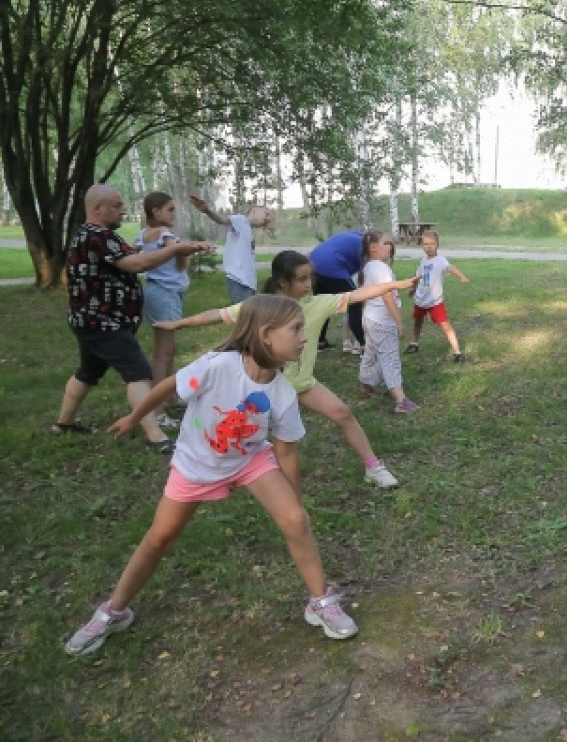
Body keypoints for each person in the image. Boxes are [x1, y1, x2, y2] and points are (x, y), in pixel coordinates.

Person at [64, 295, 358, 655]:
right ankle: (113, 611)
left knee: (296, 521)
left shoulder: (282, 392)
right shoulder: (218, 366)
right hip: (196, 465)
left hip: (250, 460)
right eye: (296, 329)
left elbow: (286, 450)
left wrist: (295, 506)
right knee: (159, 539)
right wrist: (134, 417)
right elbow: (168, 386)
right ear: (266, 335)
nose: (304, 336)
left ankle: (320, 602)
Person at [158, 251, 416, 489]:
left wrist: (397, 284)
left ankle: (373, 467)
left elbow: (361, 293)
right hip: (263, 387)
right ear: (283, 282)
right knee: (251, 433)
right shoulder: (262, 308)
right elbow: (216, 314)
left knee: (343, 413)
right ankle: (226, 470)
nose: (309, 284)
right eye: (302, 279)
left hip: (302, 383)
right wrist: (178, 324)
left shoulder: (320, 304)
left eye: (310, 278)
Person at [53, 185, 213, 454]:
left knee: (88, 372)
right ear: (97, 209)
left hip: (93, 320)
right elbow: (135, 264)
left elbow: (134, 254)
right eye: (116, 205)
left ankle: (64, 423)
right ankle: (156, 436)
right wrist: (174, 251)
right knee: (138, 373)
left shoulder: (99, 235)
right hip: (103, 323)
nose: (122, 210)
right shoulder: (97, 235)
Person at [135, 192, 193, 429]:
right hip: (166, 295)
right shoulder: (164, 234)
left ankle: (169, 396)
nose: (173, 214)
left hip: (155, 292)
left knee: (166, 350)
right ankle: (157, 411)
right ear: (156, 212)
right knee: (164, 354)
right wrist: (196, 246)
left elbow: (129, 251)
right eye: (170, 210)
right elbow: (178, 250)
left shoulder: (143, 235)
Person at [358, 230, 420, 413]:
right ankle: (401, 401)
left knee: (371, 353)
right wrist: (399, 322)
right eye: (386, 243)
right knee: (390, 358)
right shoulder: (381, 268)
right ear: (373, 247)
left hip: (369, 319)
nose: (390, 246)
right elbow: (387, 297)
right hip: (383, 322)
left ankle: (366, 384)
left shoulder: (369, 267)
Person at [188, 194, 271, 303]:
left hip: (248, 284)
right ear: (255, 210)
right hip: (239, 281)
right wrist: (207, 211)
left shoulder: (247, 229)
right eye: (266, 214)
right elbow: (222, 220)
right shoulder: (241, 220)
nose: (268, 219)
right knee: (243, 316)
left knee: (249, 317)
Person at [405, 231, 470, 363]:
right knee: (417, 322)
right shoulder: (422, 261)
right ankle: (414, 344)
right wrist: (413, 289)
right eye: (426, 244)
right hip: (420, 299)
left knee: (446, 326)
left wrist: (461, 276)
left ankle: (457, 352)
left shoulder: (440, 260)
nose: (429, 247)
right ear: (422, 246)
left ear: (437, 245)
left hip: (435, 301)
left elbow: (451, 268)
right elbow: (418, 277)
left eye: (432, 244)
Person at [308, 229, 368, 353]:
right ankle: (364, 344)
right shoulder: (365, 244)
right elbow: (367, 268)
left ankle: (320, 341)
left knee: (322, 305)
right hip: (332, 266)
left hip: (313, 263)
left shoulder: (353, 235)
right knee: (354, 303)